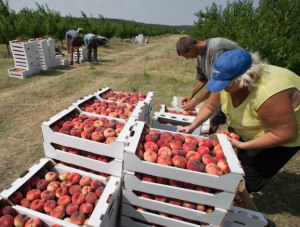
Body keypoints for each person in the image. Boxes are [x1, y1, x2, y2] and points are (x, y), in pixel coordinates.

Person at [178, 49, 300, 193]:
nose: (222, 87)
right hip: (249, 126)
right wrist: (192, 126)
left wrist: (244, 144)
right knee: (231, 161)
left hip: (282, 136)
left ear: (245, 77)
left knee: (249, 181)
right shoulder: (227, 80)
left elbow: (284, 134)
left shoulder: (268, 94)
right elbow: (210, 106)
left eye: (226, 83)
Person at [176, 36, 244, 133]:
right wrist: (191, 95)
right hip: (225, 88)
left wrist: (195, 102)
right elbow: (203, 79)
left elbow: (217, 82)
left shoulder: (216, 49)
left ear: (191, 48)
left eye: (186, 55)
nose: (187, 58)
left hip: (241, 86)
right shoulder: (200, 56)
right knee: (214, 116)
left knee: (221, 119)